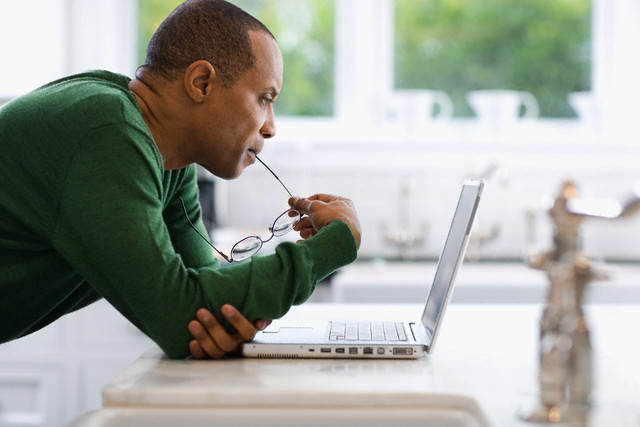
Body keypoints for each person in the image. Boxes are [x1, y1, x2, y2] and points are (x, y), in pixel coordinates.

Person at [0, 0, 361, 359]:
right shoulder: (106, 130)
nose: (270, 128)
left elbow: (204, 304)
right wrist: (332, 245)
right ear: (201, 83)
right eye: (264, 99)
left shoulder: (170, 159)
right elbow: (180, 315)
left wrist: (221, 315)